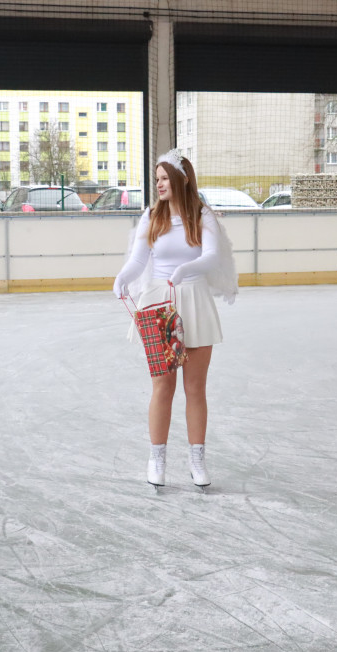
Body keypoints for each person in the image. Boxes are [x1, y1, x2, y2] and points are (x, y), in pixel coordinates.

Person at [113, 149, 237, 489]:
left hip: (194, 299)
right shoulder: (152, 215)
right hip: (159, 303)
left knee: (195, 388)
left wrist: (187, 269)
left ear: (181, 179)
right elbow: (139, 261)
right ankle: (157, 458)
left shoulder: (202, 215)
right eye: (156, 179)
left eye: (164, 178)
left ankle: (197, 460)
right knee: (162, 386)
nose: (159, 184)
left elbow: (211, 256)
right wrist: (123, 277)